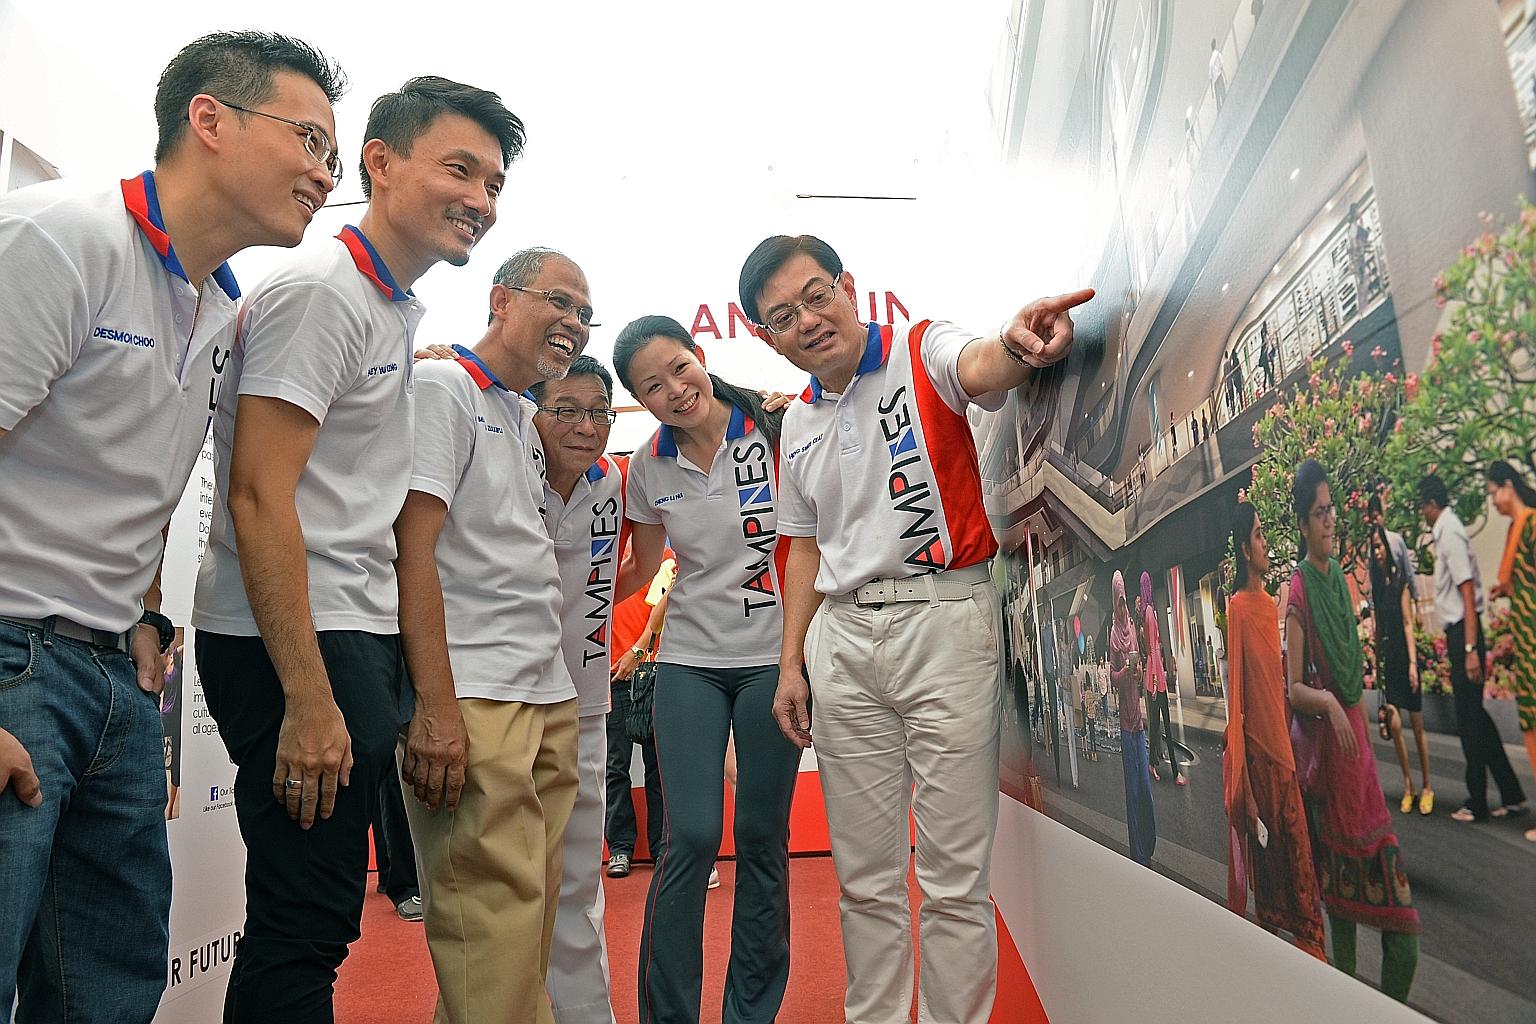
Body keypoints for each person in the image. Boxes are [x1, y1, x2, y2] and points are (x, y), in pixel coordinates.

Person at [0, 31, 345, 1023]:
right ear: (210, 119)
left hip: (111, 679)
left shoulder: (218, 306)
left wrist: (147, 613)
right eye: (310, 141)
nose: (326, 174)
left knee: (107, 988)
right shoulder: (65, 236)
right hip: (12, 661)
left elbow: (134, 477)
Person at [192, 77, 522, 1023]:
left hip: (347, 629)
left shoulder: (389, 306)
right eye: (459, 169)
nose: (480, 200)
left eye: (494, 183)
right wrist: (308, 696)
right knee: (307, 919)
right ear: (378, 160)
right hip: (297, 641)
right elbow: (260, 496)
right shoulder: (320, 291)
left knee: (312, 915)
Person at [742, 232, 1090, 1023]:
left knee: (952, 875)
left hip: (947, 623)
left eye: (816, 295)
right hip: (843, 642)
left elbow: (982, 365)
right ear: (768, 335)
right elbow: (800, 549)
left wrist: (1017, 342)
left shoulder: (918, 346)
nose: (808, 319)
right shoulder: (795, 425)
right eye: (784, 315)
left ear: (848, 285)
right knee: (864, 878)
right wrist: (790, 662)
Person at [393, 248, 593, 1024]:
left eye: (585, 313)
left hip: (544, 693)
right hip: (474, 696)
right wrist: (434, 705)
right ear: (501, 299)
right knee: (489, 931)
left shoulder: (516, 410)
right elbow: (412, 545)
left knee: (515, 943)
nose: (574, 323)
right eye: (560, 302)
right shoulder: (443, 387)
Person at [612, 315, 799, 1024]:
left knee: (759, 837)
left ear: (700, 357)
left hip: (773, 663)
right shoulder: (647, 466)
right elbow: (637, 568)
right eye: (651, 387)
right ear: (641, 400)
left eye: (678, 369)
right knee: (688, 836)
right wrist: (565, 599)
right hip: (688, 660)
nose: (674, 391)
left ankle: (749, 1013)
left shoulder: (778, 426)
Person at [1286, 461, 1419, 1000]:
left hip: (1363, 779)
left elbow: (1351, 670)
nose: (1331, 521)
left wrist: (1368, 706)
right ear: (1302, 523)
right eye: (1320, 513)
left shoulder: (1339, 580)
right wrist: (1333, 707)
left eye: (1331, 509)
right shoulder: (1297, 591)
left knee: (1403, 938)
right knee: (1341, 952)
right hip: (1332, 787)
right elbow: (1292, 688)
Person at [536, 354, 628, 1023]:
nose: (586, 425)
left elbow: (617, 578)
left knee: (577, 881)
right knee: (504, 887)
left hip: (587, 705)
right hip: (505, 701)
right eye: (566, 409)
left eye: (598, 411)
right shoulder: (503, 467)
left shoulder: (612, 482)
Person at [1221, 502, 1326, 961]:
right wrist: (1244, 788)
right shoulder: (1239, 610)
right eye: (1260, 536)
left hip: (1285, 762)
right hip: (1262, 766)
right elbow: (1238, 702)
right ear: (1246, 549)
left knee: (1304, 896)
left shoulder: (1270, 607)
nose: (1266, 543)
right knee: (1273, 900)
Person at [1418, 474, 1527, 822]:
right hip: (1465, 632)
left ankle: (1476, 802)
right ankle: (1510, 792)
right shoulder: (1449, 529)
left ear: (1430, 505)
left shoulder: (1448, 531)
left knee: (1468, 721)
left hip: (1464, 633)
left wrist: (1468, 649)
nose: (1422, 513)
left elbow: (1466, 590)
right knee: (1476, 716)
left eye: (1422, 506)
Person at [605, 555, 673, 877]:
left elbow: (665, 609)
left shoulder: (664, 557)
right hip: (609, 675)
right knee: (614, 766)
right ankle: (620, 847)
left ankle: (662, 848)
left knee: (656, 766)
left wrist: (638, 650)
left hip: (651, 672)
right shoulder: (605, 553)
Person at [1365, 494, 1431, 815]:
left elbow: (1407, 623)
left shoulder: (1400, 571)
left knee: (1417, 727)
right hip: (1389, 656)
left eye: (1379, 549)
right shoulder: (1376, 584)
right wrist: (1377, 667)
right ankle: (1408, 785)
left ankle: (1428, 785)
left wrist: (1414, 664)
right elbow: (1378, 627)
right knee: (1394, 725)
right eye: (1374, 548)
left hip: (1405, 656)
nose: (1377, 552)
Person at [1485, 460, 1536, 842]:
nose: (1493, 502)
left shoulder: (1532, 524)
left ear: (1507, 485)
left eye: (1492, 493)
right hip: (1526, 642)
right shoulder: (1518, 528)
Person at [1111, 571, 1156, 866]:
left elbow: (1134, 677)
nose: (1125, 609)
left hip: (1138, 722)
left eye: (1126, 603)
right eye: (1121, 603)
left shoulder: (1132, 626)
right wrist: (1123, 673)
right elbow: (1114, 676)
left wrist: (1138, 674)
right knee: (1134, 790)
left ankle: (1149, 844)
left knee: (1145, 789)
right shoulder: (1113, 633)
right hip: (1126, 726)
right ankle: (1137, 852)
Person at [1140, 572, 1185, 785]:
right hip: (1154, 676)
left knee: (1162, 724)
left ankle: (1166, 768)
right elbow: (1152, 649)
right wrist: (1158, 680)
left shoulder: (1150, 612)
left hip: (1155, 674)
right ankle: (1168, 769)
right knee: (1160, 725)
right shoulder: (1149, 613)